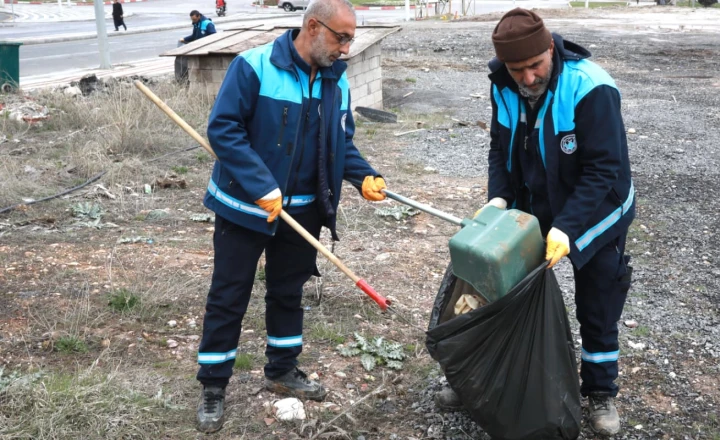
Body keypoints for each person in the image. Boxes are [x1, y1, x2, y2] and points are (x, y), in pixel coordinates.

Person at [435, 8, 635, 437]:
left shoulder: (590, 86)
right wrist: (497, 198)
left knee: (598, 303)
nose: (527, 79)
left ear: (550, 48)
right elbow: (499, 147)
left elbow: (603, 170)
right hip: (533, 206)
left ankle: (600, 392)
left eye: (535, 67)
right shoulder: (503, 86)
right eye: (516, 69)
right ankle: (483, 378)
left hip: (599, 211)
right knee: (495, 290)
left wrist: (567, 227)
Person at [194, 0, 387, 433]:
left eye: (351, 38)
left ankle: (282, 367)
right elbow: (224, 129)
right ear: (314, 27)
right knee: (229, 295)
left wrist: (363, 176)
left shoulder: (337, 82)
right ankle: (213, 385)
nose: (347, 47)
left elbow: (341, 143)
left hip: (302, 212)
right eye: (342, 37)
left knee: (288, 292)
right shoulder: (254, 67)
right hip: (246, 207)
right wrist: (259, 184)